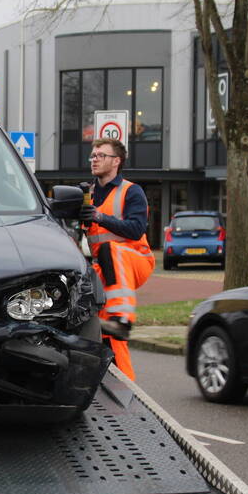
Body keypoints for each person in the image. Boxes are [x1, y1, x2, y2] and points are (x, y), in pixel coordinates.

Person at [79, 138, 154, 380]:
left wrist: (100, 217)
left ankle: (122, 319)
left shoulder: (131, 191)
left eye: (101, 155)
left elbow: (135, 229)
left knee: (111, 249)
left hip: (135, 261)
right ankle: (126, 388)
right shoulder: (87, 194)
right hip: (102, 272)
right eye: (93, 155)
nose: (94, 159)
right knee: (103, 335)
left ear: (116, 161)